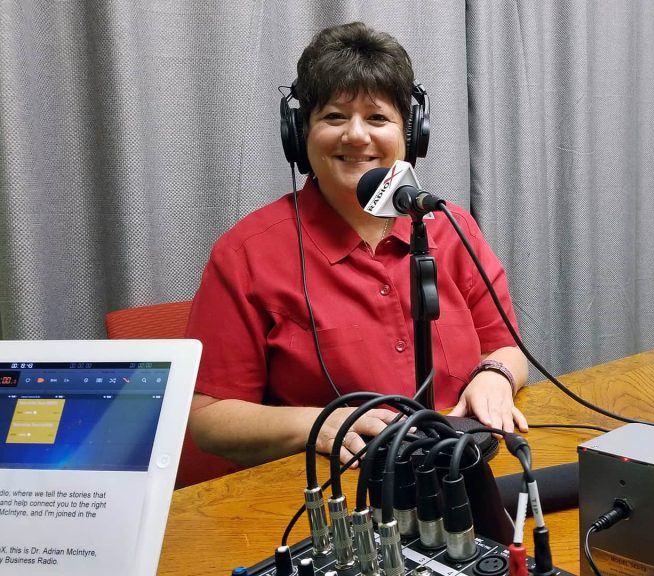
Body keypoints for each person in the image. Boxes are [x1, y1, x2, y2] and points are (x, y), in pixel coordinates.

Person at [186, 22, 528, 468]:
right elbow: (207, 419)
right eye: (333, 117)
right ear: (299, 133)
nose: (356, 135)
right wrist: (317, 425)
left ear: (410, 134)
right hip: (340, 493)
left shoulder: (450, 227)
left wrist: (495, 376)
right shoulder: (244, 255)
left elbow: (506, 349)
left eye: (378, 118)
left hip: (465, 467)